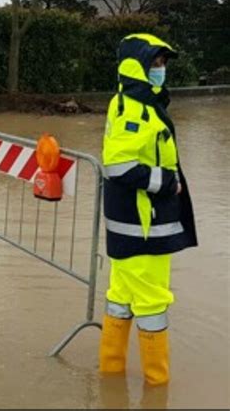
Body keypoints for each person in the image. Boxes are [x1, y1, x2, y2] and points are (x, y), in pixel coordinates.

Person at [98, 33, 198, 386]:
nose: (161, 70)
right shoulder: (138, 110)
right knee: (153, 305)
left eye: (163, 63)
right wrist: (168, 183)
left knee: (120, 300)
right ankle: (157, 389)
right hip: (145, 228)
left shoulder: (124, 101)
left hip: (126, 227)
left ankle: (111, 382)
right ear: (136, 67)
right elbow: (118, 166)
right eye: (155, 63)